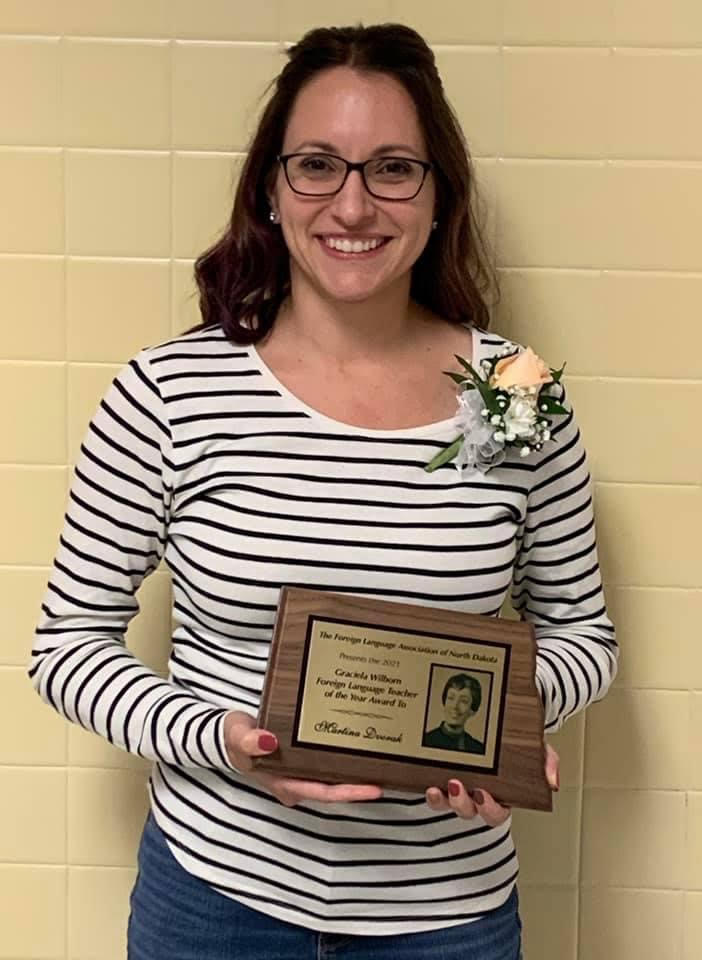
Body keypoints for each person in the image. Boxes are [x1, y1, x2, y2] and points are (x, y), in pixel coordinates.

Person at [28, 22, 617, 960]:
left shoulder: (514, 396)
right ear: (271, 188)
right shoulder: (169, 392)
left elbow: (586, 637)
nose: (353, 205)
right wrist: (223, 739)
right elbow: (65, 649)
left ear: (437, 195)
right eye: (317, 165)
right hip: (215, 905)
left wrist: (499, 717)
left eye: (392, 168)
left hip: (447, 919)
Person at [423, 673, 485, 754]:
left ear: (473, 711)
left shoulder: (478, 749)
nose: (455, 706)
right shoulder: (426, 740)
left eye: (463, 701)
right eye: (451, 698)